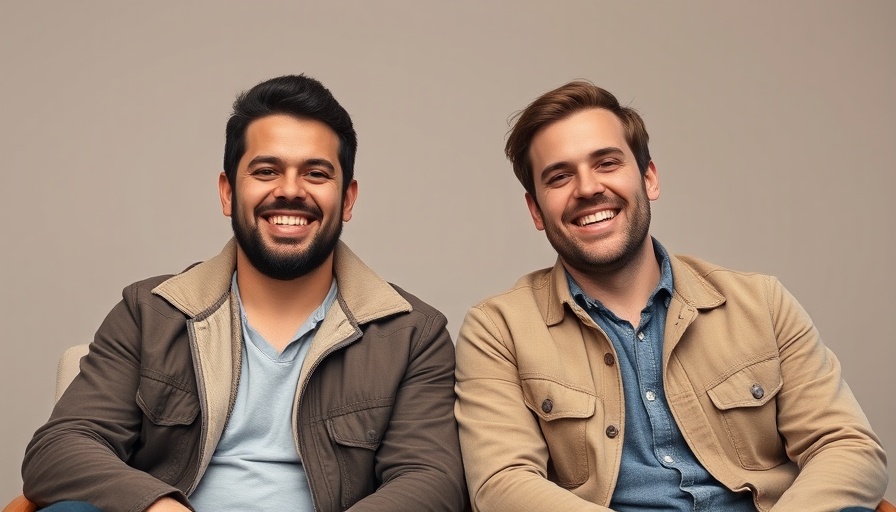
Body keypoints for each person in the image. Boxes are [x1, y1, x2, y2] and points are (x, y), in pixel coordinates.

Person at [23, 74, 467, 512]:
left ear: (347, 199)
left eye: (315, 173)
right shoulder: (150, 312)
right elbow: (60, 447)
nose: (290, 191)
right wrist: (158, 506)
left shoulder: (412, 333)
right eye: (266, 170)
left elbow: (430, 480)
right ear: (228, 192)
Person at [454, 81, 888, 511]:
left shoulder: (762, 302)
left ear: (649, 178)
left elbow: (848, 447)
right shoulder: (498, 330)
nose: (587, 189)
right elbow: (501, 484)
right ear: (535, 210)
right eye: (560, 176)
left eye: (606, 163)